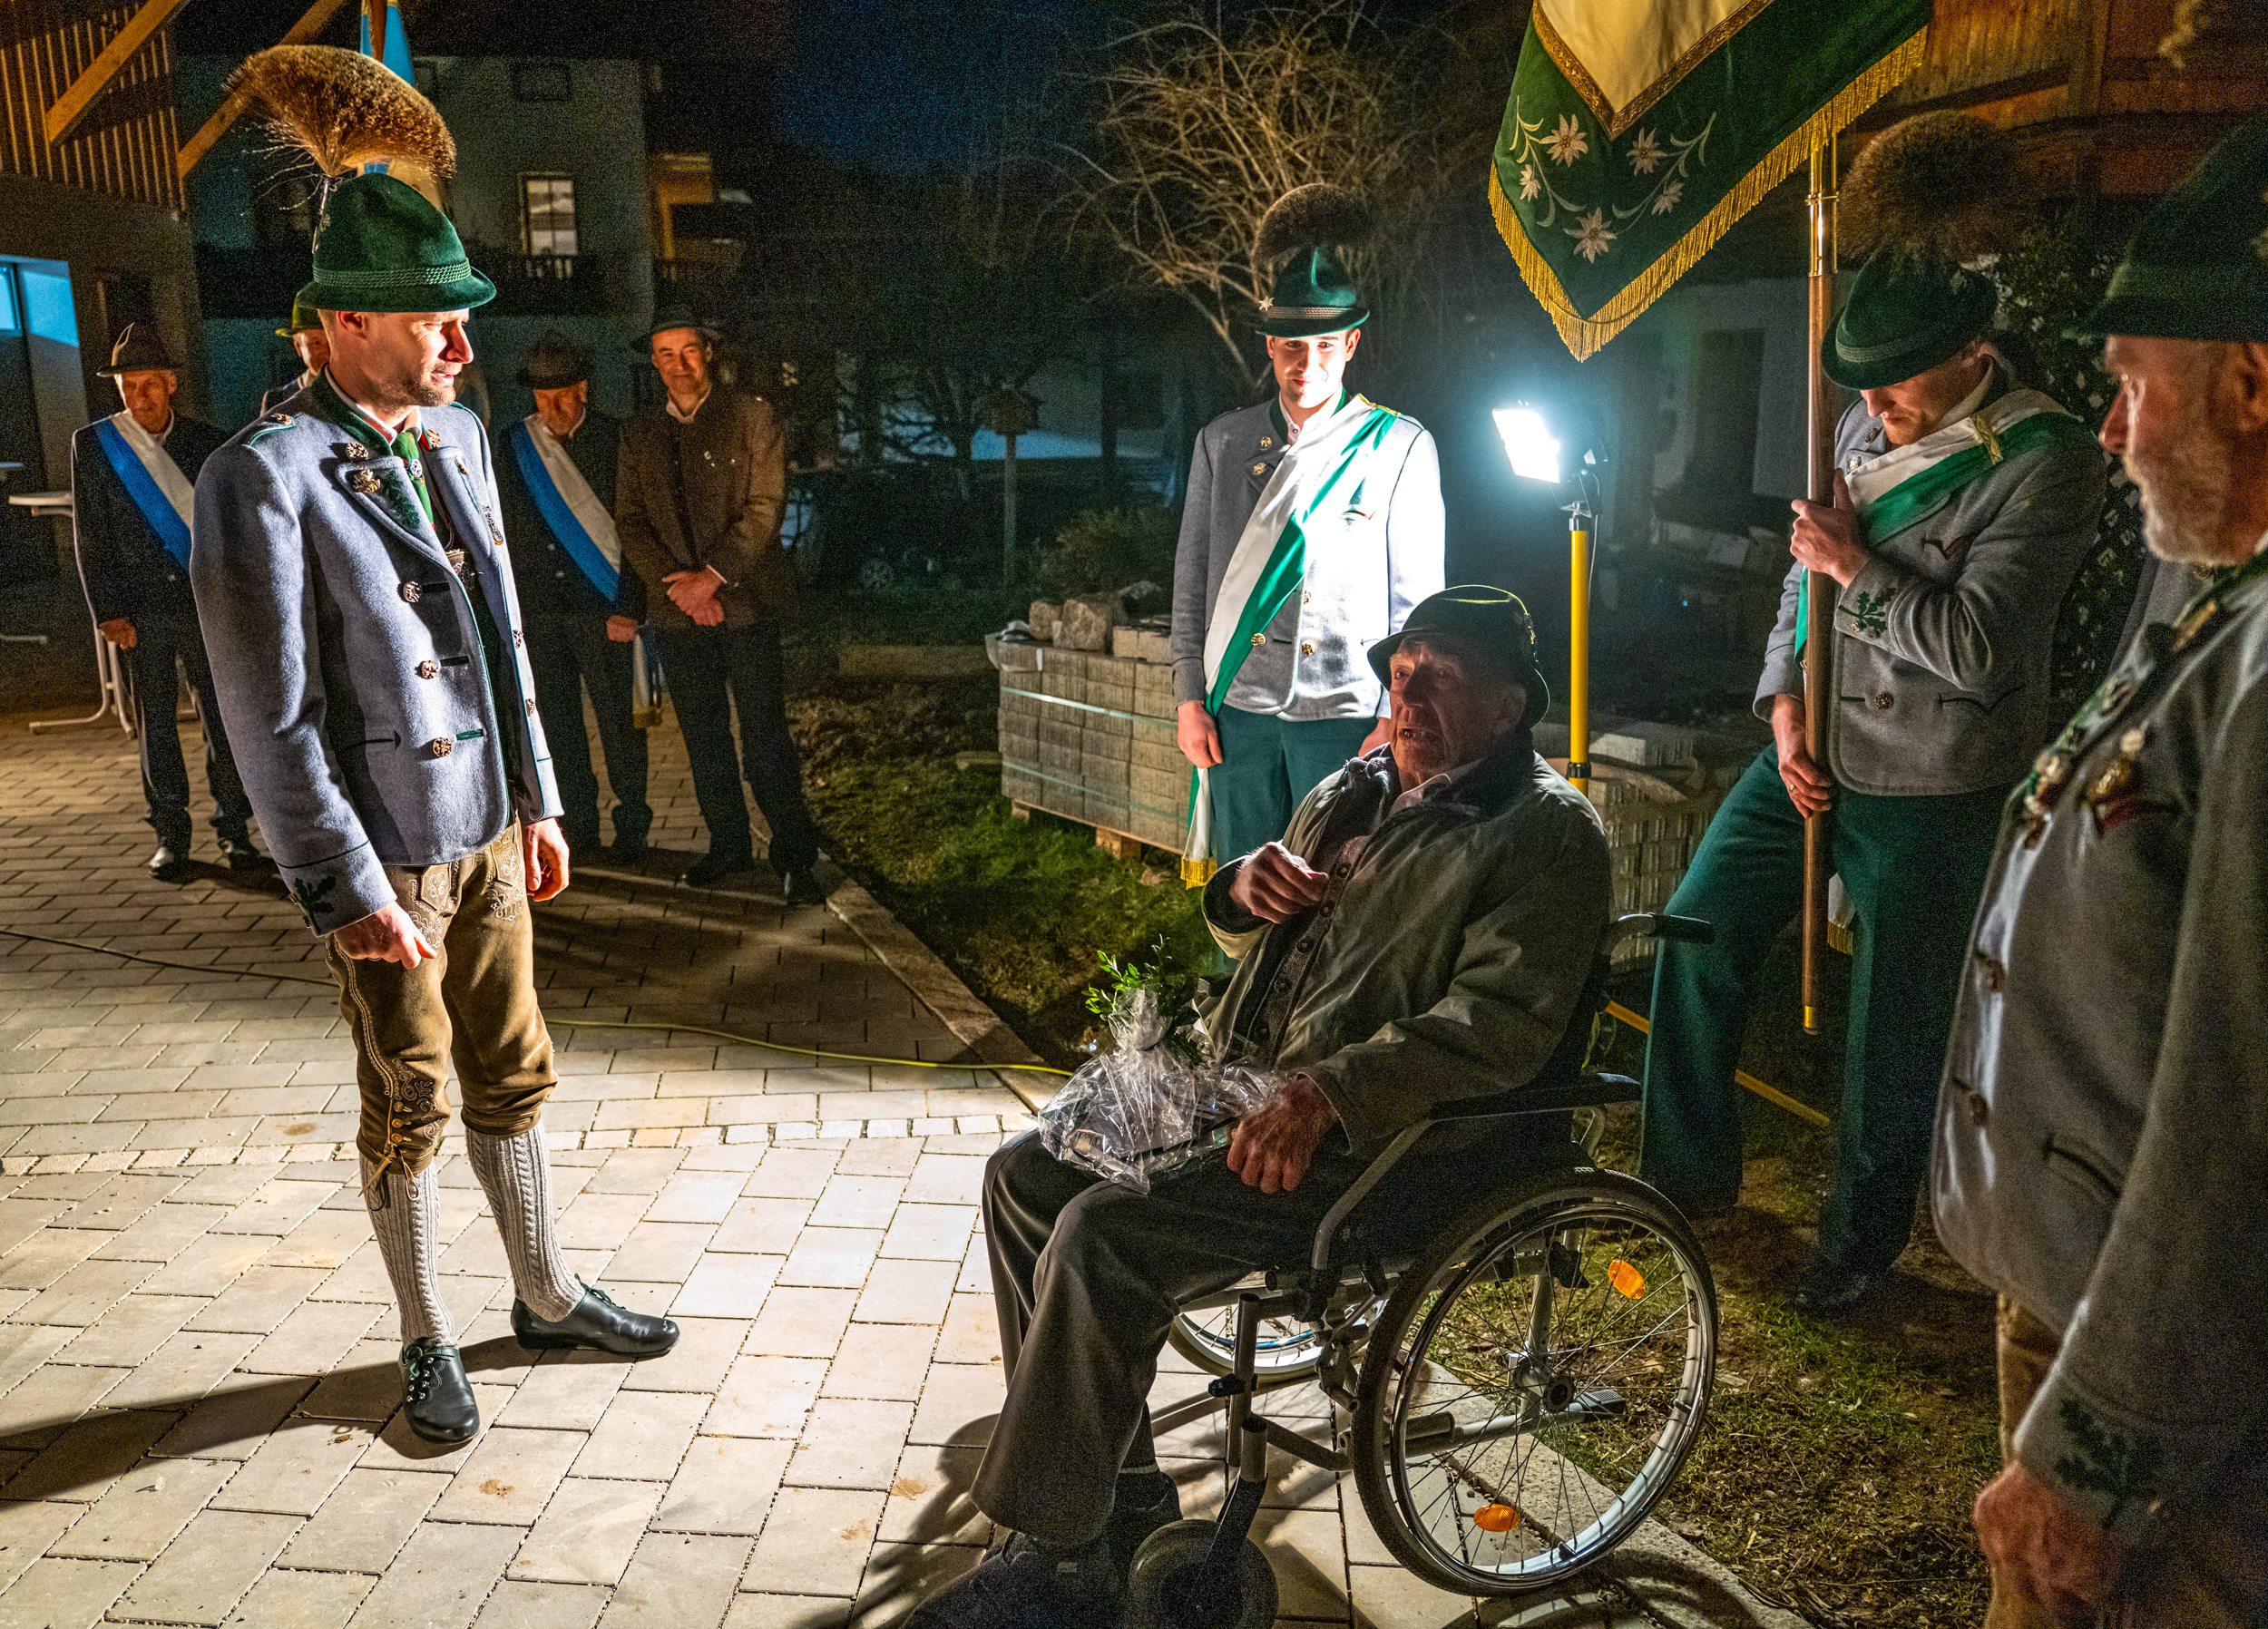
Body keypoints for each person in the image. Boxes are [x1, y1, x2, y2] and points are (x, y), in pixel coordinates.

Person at [910, 587, 1610, 1627]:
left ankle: (1059, 1561)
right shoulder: (1351, 788)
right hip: (1244, 1086)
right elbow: (1253, 937)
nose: (1408, 695)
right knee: (1024, 1176)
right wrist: (1241, 888)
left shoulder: (1544, 832)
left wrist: (1328, 1091)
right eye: (1401, 672)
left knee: (1104, 1234)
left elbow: (1498, 1024)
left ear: (1509, 704)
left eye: (1441, 676)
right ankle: (1117, 1496)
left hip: (1390, 1142)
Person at [191, 51, 676, 1447]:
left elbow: (504, 631)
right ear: (345, 324)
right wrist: (342, 887)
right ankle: (424, 1339)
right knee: (410, 1098)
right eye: (434, 322)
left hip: (488, 826)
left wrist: (540, 796)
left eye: (462, 321)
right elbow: (268, 716)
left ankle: (547, 1293)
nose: (464, 347)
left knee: (515, 1066)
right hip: (388, 856)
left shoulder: (457, 436)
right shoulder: (261, 475)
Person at [1637, 117, 2107, 1316]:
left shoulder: (2046, 460)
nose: (1871, 403)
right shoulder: (1857, 423)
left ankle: (1858, 1242)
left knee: (1889, 1031)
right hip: (1811, 751)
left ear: (1975, 352)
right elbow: (1796, 583)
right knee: (1695, 930)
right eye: (1861, 380)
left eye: (1896, 380)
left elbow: (1983, 650)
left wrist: (1856, 569)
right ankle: (1681, 1177)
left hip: (1936, 781)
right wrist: (1783, 706)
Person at [1935, 119, 2268, 1627]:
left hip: (2175, 1395)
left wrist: (2096, 1447)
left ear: (2251, 384)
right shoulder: (2214, 589)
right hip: (2095, 1307)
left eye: (2135, 386)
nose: (2115, 432)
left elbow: (2238, 1109)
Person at [1169, 184, 1443, 882]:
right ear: (1270, 345)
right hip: (1240, 709)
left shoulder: (1399, 446)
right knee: (1244, 883)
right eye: (1292, 344)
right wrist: (1189, 698)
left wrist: (1396, 715)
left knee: (1336, 886)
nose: (1307, 363)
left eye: (1325, 344)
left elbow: (1417, 608)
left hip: (1346, 712)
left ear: (1351, 343)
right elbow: (1192, 584)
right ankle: (1236, 963)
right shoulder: (1222, 444)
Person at [614, 306, 823, 897]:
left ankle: (795, 858)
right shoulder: (639, 432)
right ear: (654, 363)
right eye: (665, 354)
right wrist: (681, 589)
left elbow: (765, 507)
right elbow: (630, 520)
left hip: (746, 605)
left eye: (688, 351)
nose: (678, 365)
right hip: (678, 614)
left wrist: (710, 578)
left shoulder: (752, 416)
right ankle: (728, 846)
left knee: (765, 738)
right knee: (704, 740)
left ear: (708, 353)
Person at [70, 322, 260, 882]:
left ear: (172, 383)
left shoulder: (209, 442)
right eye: (128, 386)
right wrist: (108, 611)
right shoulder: (95, 445)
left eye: (149, 384)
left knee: (222, 721)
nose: (139, 397)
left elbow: (232, 530)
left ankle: (235, 829)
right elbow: (91, 534)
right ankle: (170, 836)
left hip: (207, 606)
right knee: (155, 725)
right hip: (140, 610)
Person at [494, 328, 650, 859]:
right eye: (542, 397)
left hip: (604, 608)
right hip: (540, 614)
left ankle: (633, 824)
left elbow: (637, 530)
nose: (552, 408)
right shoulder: (513, 446)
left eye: (561, 395)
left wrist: (630, 606)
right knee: (557, 727)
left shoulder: (618, 439)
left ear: (583, 390)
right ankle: (578, 826)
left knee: (620, 723)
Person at [258, 298, 330, 418]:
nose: (327, 353)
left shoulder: (358, 395)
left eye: (332, 343)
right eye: (316, 343)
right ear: (298, 346)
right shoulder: (277, 400)